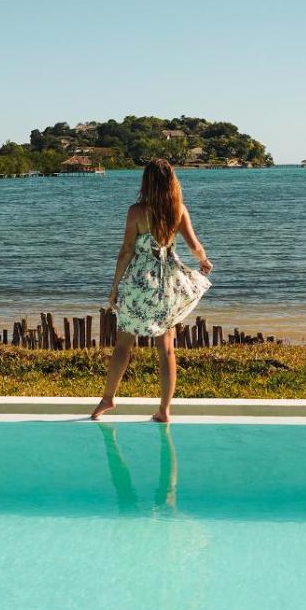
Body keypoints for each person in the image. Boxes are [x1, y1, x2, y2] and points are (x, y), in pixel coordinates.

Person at [90, 158, 213, 423]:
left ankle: (108, 398)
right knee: (166, 349)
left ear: (146, 183)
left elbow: (126, 251)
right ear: (171, 182)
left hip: (139, 281)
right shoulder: (178, 210)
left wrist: (114, 287)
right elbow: (195, 246)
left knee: (123, 346)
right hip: (167, 282)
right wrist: (204, 262)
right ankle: (164, 410)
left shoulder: (136, 212)